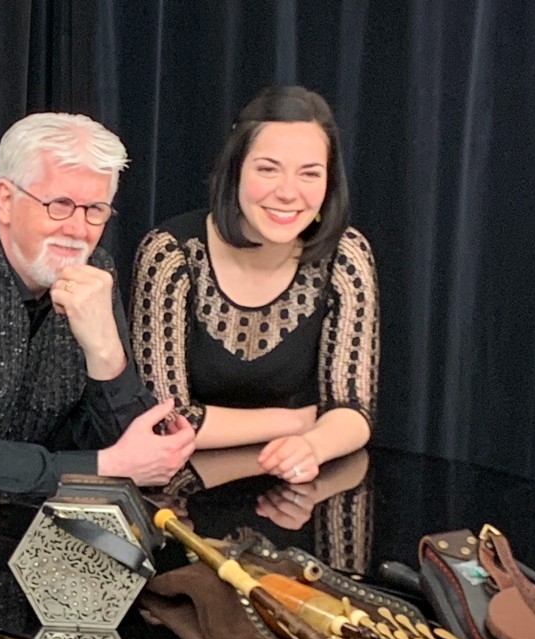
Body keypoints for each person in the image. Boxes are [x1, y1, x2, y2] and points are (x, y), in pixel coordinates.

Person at [0, 112, 195, 497]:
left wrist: (106, 354)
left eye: (95, 210)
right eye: (59, 205)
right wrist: (104, 467)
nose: (78, 230)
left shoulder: (95, 272)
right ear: (7, 200)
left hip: (42, 515)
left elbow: (139, 449)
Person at [130, 85, 378, 485]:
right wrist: (296, 420)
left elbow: (353, 408)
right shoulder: (170, 253)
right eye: (267, 168)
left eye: (310, 173)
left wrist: (313, 446)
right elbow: (165, 421)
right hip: (180, 492)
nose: (287, 192)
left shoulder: (345, 255)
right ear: (236, 168)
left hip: (293, 483)